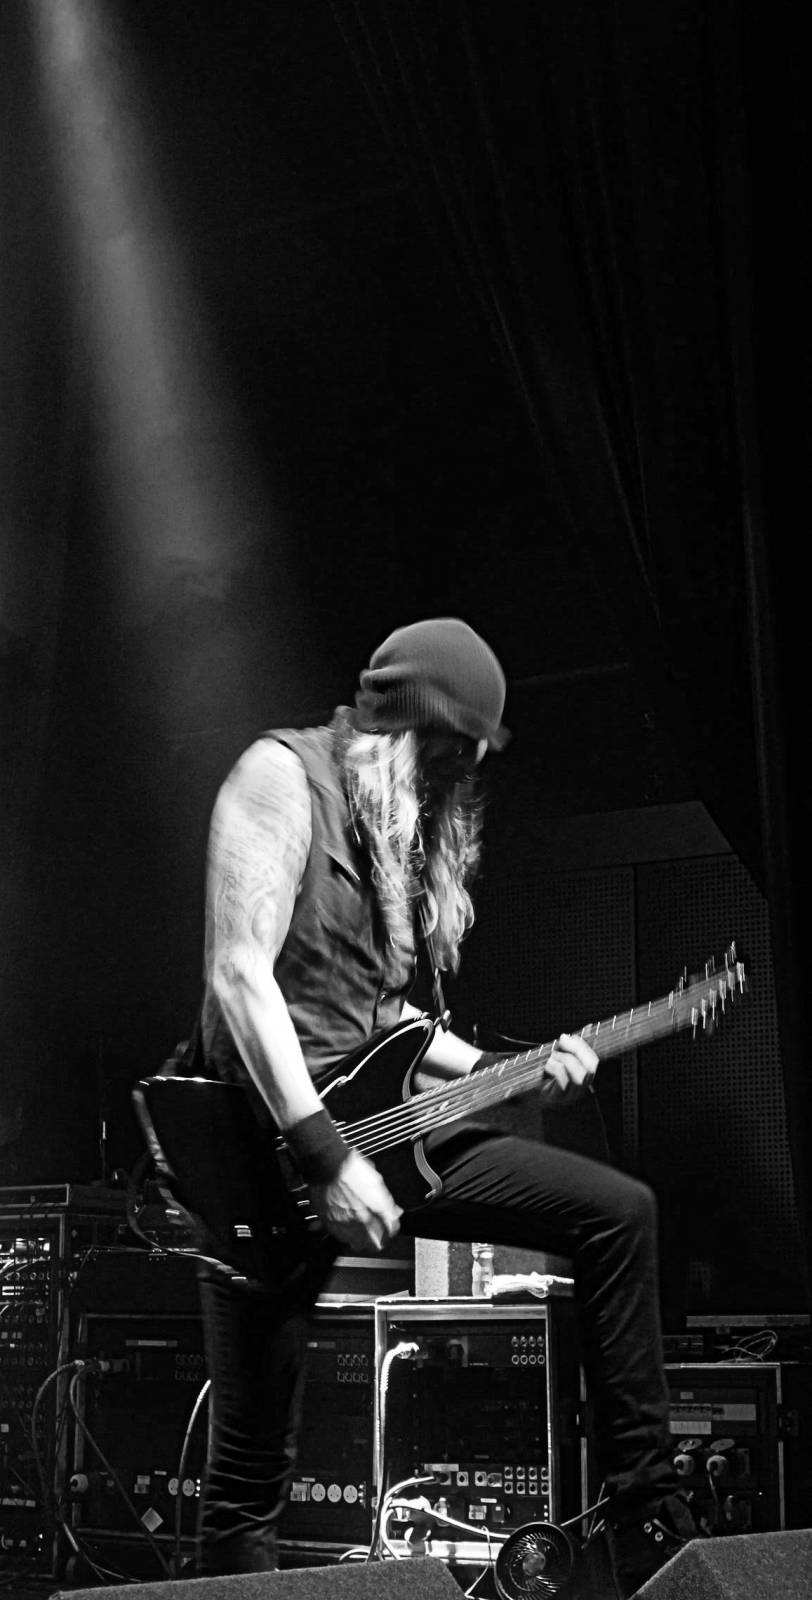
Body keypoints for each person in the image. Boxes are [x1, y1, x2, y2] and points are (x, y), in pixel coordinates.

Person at [194, 616, 698, 1597]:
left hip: (383, 1138)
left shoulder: (397, 840)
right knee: (248, 1477)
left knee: (618, 1212)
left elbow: (397, 1030)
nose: (461, 774)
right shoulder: (280, 778)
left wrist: (516, 1069)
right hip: (267, 1154)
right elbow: (239, 974)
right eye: (449, 750)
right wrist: (324, 1156)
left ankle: (647, 1515)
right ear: (402, 723)